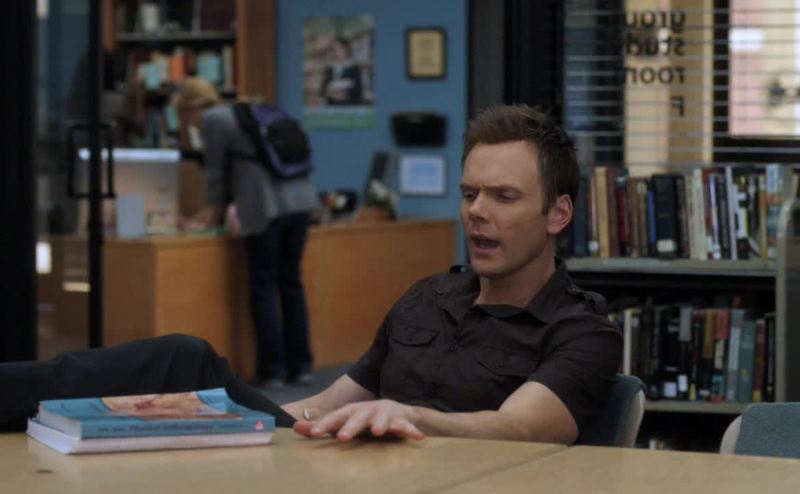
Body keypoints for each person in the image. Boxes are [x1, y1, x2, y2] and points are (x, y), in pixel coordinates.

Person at [0, 105, 620, 445]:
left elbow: (522, 428)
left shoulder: (581, 329)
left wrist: (404, 415)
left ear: (557, 214)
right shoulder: (427, 298)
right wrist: (221, 420)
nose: (477, 212)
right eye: (469, 193)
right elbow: (324, 404)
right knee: (176, 392)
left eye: (504, 197)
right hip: (336, 468)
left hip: (451, 477)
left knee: (185, 358)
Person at [172, 78, 321, 388]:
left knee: (263, 284)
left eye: (184, 117)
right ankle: (302, 366)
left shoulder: (214, 120)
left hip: (267, 206)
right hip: (302, 202)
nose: (187, 125)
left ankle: (272, 370)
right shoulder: (246, 111)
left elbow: (215, 173)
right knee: (291, 282)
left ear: (189, 109)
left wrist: (210, 214)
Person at [318, 36, 364, 106]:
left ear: (347, 48)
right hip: (332, 106)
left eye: (340, 48)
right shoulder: (330, 68)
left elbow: (359, 90)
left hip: (348, 106)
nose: (338, 52)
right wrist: (329, 93)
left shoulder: (354, 67)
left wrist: (345, 95)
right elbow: (322, 89)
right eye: (335, 49)